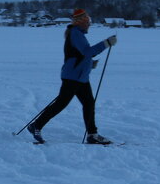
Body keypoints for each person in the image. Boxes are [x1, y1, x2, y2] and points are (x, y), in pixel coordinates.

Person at [27, 8, 117, 145]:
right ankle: (36, 125)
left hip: (81, 77)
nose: (89, 24)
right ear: (80, 22)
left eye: (89, 21)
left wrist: (90, 64)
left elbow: (79, 55)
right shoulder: (75, 33)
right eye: (87, 21)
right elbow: (87, 52)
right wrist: (106, 43)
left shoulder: (77, 33)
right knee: (61, 104)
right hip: (73, 77)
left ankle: (92, 134)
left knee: (88, 104)